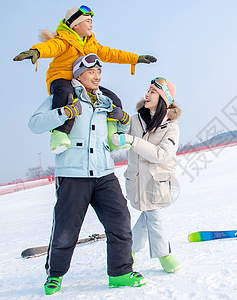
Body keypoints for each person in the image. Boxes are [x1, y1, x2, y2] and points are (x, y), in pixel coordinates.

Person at [28, 54, 146, 295]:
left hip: (104, 173)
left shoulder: (106, 101)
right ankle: (55, 276)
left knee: (121, 222)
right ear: (78, 74)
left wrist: (122, 121)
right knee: (66, 229)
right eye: (91, 72)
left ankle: (121, 272)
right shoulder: (63, 97)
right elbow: (35, 124)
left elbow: (117, 133)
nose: (97, 76)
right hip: (73, 174)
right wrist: (65, 113)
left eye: (99, 72)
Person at [15, 5, 156, 154]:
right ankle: (59, 134)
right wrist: (36, 51)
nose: (91, 24)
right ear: (75, 25)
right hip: (62, 79)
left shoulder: (91, 43)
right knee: (65, 94)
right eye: (87, 21)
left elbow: (111, 53)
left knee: (113, 99)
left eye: (91, 21)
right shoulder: (63, 40)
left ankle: (112, 135)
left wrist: (136, 58)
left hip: (84, 82)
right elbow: (50, 47)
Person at [112, 77, 182, 273]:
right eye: (148, 89)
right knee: (149, 214)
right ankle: (132, 252)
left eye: (153, 91)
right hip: (136, 179)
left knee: (153, 215)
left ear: (163, 98)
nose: (147, 94)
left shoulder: (171, 126)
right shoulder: (135, 120)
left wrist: (133, 141)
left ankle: (163, 254)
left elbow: (161, 154)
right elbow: (119, 134)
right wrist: (118, 133)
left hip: (158, 183)